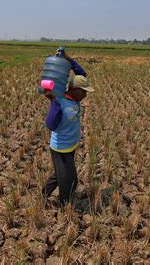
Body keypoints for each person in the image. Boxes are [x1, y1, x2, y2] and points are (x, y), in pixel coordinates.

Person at [42, 49, 94, 207]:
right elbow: (45, 86)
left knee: (60, 175)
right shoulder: (59, 99)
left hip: (71, 146)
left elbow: (81, 75)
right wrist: (54, 104)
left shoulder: (74, 97)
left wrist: (68, 60)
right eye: (84, 92)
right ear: (76, 90)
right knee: (70, 180)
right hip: (61, 149)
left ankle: (43, 194)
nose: (86, 95)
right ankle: (65, 207)